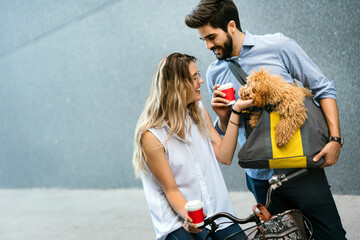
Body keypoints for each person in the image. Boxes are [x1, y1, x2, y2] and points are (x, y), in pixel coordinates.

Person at [185, 1, 346, 239]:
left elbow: (323, 89)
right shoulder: (214, 73)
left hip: (301, 167)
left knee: (330, 235)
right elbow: (225, 131)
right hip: (260, 179)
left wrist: (334, 140)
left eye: (211, 37)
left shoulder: (278, 46)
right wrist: (222, 117)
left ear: (231, 26)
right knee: (282, 237)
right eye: (203, 40)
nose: (209, 46)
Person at [133, 53, 253, 240]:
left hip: (218, 215)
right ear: (177, 84)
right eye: (195, 77)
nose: (201, 81)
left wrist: (233, 113)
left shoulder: (196, 110)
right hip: (178, 222)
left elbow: (225, 156)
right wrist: (190, 218)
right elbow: (171, 190)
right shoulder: (151, 135)